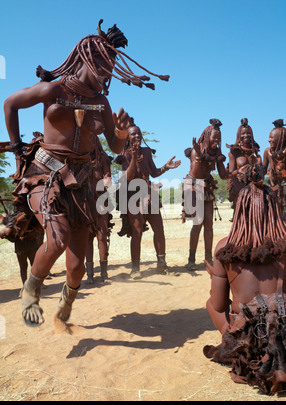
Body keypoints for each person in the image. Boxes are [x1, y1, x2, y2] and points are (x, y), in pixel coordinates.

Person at [3, 19, 169, 326]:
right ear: (87, 61)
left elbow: (116, 148)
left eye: (111, 70)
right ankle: (32, 289)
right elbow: (10, 103)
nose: (107, 75)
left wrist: (119, 132)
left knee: (77, 267)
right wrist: (16, 152)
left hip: (80, 183)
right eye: (103, 68)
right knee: (57, 239)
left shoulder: (101, 102)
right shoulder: (53, 90)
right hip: (45, 174)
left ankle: (65, 306)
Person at [203, 164, 286, 394]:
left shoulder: (224, 247)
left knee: (210, 302)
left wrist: (221, 274)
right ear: (275, 209)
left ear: (239, 209)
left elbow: (218, 305)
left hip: (250, 344)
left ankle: (236, 346)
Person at [115, 122, 181, 279]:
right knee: (137, 231)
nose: (137, 136)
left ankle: (162, 264)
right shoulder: (124, 154)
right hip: (133, 196)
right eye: (133, 134)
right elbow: (128, 177)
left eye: (138, 133)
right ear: (128, 138)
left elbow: (153, 172)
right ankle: (135, 268)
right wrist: (134, 158)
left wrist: (165, 167)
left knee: (159, 229)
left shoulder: (147, 151)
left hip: (149, 195)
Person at [182, 119, 227, 270]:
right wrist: (200, 155)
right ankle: (191, 259)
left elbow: (223, 175)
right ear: (207, 136)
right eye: (214, 137)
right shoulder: (197, 151)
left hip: (206, 187)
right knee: (197, 223)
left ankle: (208, 259)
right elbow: (196, 174)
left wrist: (236, 172)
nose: (217, 140)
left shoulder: (217, 153)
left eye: (219, 138)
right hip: (194, 187)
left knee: (209, 223)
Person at [85, 135, 114, 284]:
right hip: (85, 203)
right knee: (87, 238)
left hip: (101, 200)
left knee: (102, 236)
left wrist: (107, 179)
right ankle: (89, 275)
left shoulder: (103, 158)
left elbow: (107, 175)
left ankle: (104, 274)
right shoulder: (81, 157)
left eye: (92, 140)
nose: (90, 143)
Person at [263, 119, 286, 229]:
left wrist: (281, 170)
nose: (269, 140)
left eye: (272, 138)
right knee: (273, 220)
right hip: (273, 189)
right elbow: (263, 171)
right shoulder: (267, 152)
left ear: (279, 139)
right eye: (269, 137)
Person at [226, 118, 262, 211]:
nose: (246, 135)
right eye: (243, 133)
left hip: (255, 188)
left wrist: (257, 163)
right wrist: (240, 189)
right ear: (239, 135)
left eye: (248, 133)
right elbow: (231, 174)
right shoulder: (234, 152)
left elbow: (261, 173)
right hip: (239, 188)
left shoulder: (255, 152)